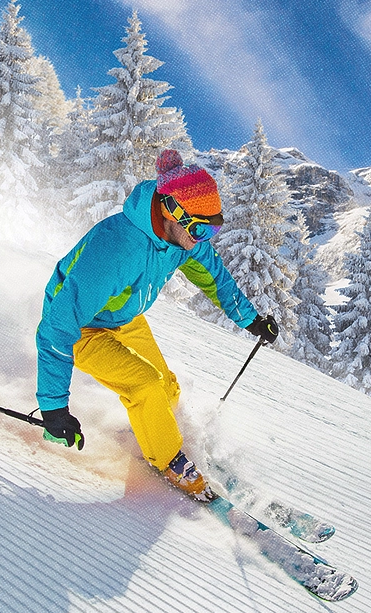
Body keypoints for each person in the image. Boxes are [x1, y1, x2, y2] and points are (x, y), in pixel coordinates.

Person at [36, 149, 279, 501]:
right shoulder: (116, 248)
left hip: (123, 318)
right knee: (146, 385)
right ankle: (167, 460)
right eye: (199, 228)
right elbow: (58, 325)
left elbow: (215, 278)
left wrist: (251, 319)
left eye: (213, 227)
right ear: (171, 210)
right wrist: (54, 406)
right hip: (83, 326)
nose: (204, 237)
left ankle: (165, 432)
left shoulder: (184, 240)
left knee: (167, 388)